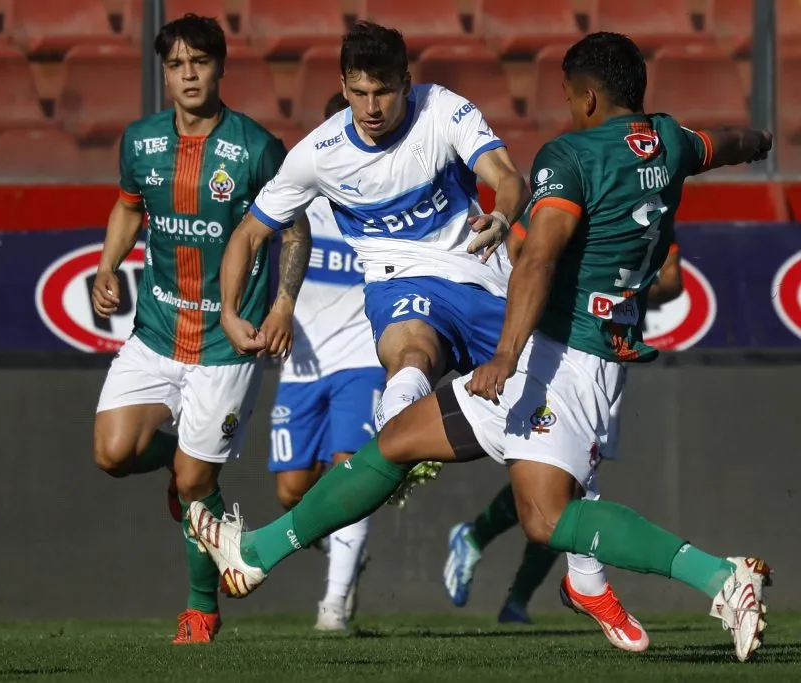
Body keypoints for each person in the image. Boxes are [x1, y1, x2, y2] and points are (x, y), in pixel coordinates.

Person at [187, 32, 773, 663]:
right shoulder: (669, 140)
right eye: (359, 92)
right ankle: (256, 553)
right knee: (405, 444)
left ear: (587, 98)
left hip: (559, 356)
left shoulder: (569, 156)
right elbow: (724, 142)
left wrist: (504, 354)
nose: (371, 104)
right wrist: (761, 141)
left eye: (568, 95)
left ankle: (718, 577)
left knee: (547, 516)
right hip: (584, 349)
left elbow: (538, 259)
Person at [90, 13, 307, 644]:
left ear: (220, 68)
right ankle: (182, 466)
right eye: (176, 64)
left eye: (200, 62)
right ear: (165, 73)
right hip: (157, 329)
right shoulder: (140, 141)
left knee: (195, 484)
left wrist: (282, 306)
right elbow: (129, 207)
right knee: (111, 453)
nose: (188, 75)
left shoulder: (257, 147)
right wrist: (107, 264)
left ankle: (200, 608)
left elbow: (294, 229)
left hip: (225, 342)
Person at [443, 217, 684, 626]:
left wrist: (621, 294)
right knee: (563, 484)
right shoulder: (567, 205)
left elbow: (673, 281)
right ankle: (499, 568)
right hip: (553, 356)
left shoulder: (647, 211)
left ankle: (508, 586)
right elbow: (521, 260)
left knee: (568, 486)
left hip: (604, 361)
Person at [268, 92, 386, 632]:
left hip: (363, 358)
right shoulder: (299, 193)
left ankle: (333, 606)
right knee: (292, 490)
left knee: (349, 473)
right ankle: (345, 548)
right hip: (303, 362)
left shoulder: (389, 201)